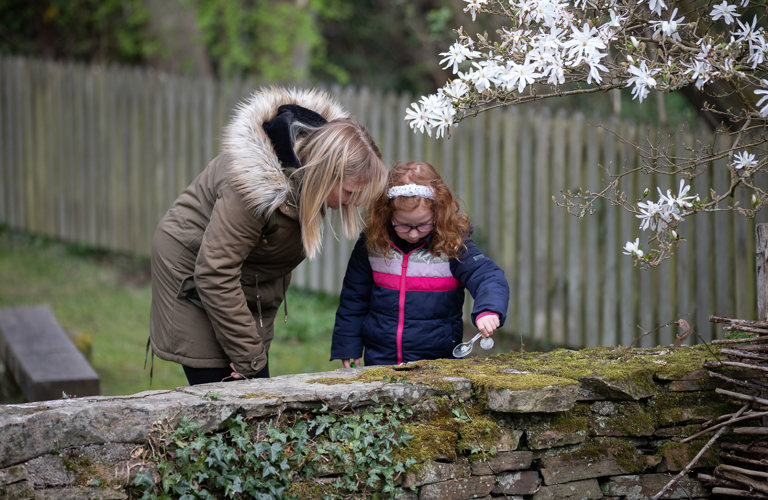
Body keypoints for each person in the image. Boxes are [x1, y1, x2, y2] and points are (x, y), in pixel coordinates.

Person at [148, 86, 388, 385]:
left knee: (250, 379)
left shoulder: (304, 175)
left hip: (242, 276)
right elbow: (214, 272)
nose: (355, 202)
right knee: (226, 391)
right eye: (351, 191)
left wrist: (250, 356)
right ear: (323, 173)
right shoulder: (252, 188)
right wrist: (250, 358)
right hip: (191, 271)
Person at [331, 161, 509, 367]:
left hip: (437, 361)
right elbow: (354, 298)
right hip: (380, 358)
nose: (414, 233)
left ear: (438, 213)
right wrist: (348, 345)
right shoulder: (373, 244)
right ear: (388, 215)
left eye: (423, 224)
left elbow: (487, 276)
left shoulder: (452, 246)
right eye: (404, 226)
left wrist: (489, 310)